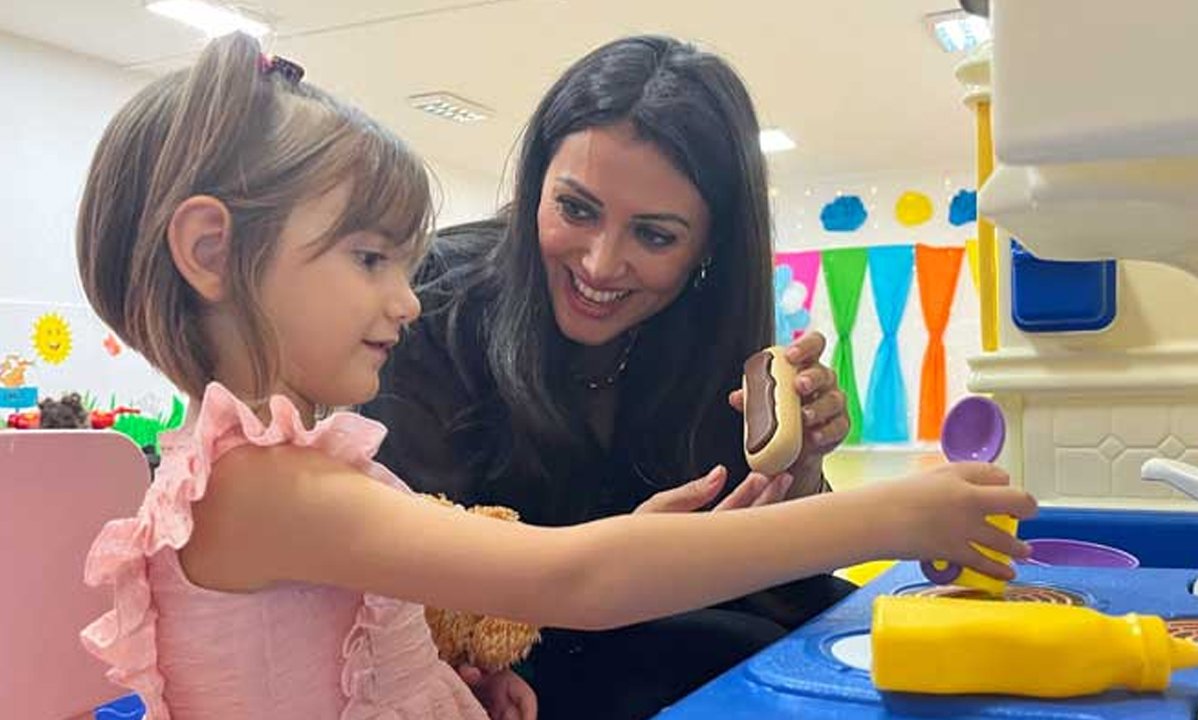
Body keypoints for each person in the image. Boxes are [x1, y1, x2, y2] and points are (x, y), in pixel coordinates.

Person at [77, 32, 1036, 720]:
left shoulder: (302, 474)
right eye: (371, 260)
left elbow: (391, 618)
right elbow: (577, 580)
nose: (408, 301)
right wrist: (895, 514)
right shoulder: (269, 488)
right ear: (211, 251)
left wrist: (449, 673)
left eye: (654, 236)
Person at [360, 35, 906, 718]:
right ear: (535, 187)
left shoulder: (710, 333)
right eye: (576, 209)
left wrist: (797, 477)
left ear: (709, 249)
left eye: (654, 236)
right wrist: (632, 559)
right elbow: (404, 599)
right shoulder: (429, 305)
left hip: (691, 653)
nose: (599, 263)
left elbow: (776, 587)